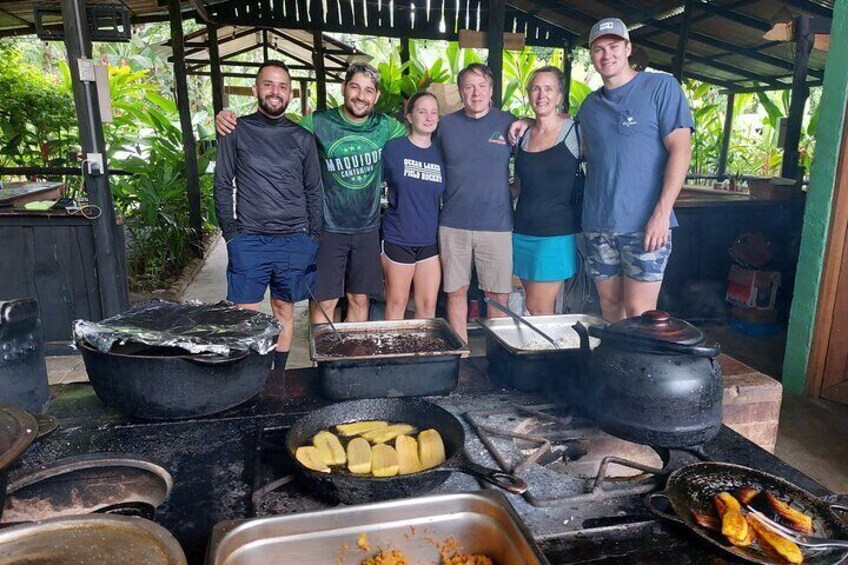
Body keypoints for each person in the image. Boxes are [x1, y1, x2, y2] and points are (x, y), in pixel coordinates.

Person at [511, 18, 693, 322]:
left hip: (644, 224)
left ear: (628, 48)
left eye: (613, 46)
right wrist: (531, 122)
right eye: (598, 49)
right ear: (592, 56)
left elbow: (681, 150)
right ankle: (614, 370)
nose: (606, 55)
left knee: (639, 312)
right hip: (598, 224)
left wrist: (662, 213)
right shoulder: (591, 106)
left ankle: (637, 371)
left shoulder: (661, 87)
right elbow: (562, 132)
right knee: (609, 307)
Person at [216, 63, 406, 323]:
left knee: (358, 298)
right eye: (355, 87)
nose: (361, 96)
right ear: (343, 88)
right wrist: (226, 119)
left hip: (367, 229)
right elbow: (280, 131)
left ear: (377, 96)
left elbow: (419, 131)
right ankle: (322, 362)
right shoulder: (316, 123)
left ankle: (349, 361)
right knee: (324, 300)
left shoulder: (386, 126)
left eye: (369, 90)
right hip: (328, 228)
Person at [214, 60, 323, 372]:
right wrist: (231, 235)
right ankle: (246, 379)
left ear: (290, 94)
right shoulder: (236, 131)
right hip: (249, 239)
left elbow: (314, 190)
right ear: (256, 89)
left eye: (282, 86)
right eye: (268, 84)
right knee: (245, 314)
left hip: (293, 240)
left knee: (283, 310)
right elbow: (222, 184)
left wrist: (313, 237)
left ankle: (277, 378)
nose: (276, 91)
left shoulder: (302, 138)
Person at [437, 63, 516, 343]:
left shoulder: (508, 122)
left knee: (497, 297)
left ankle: (499, 359)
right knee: (456, 292)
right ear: (460, 91)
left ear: (491, 90)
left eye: (482, 86)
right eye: (469, 86)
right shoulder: (445, 125)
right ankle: (461, 354)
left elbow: (535, 147)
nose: (476, 92)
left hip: (496, 224)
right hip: (453, 224)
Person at [511, 66, 581, 315]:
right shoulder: (523, 134)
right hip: (522, 230)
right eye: (536, 89)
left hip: (555, 233)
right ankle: (548, 353)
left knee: (540, 307)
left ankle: (553, 353)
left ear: (560, 96)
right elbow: (520, 185)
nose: (542, 95)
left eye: (549, 89)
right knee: (532, 303)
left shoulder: (575, 131)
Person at [380, 92, 445, 319]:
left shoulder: (443, 152)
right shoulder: (393, 149)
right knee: (397, 303)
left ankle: (419, 354)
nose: (428, 117)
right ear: (409, 117)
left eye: (433, 112)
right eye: (422, 111)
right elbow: (374, 187)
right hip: (398, 237)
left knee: (427, 307)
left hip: (430, 240)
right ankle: (393, 354)